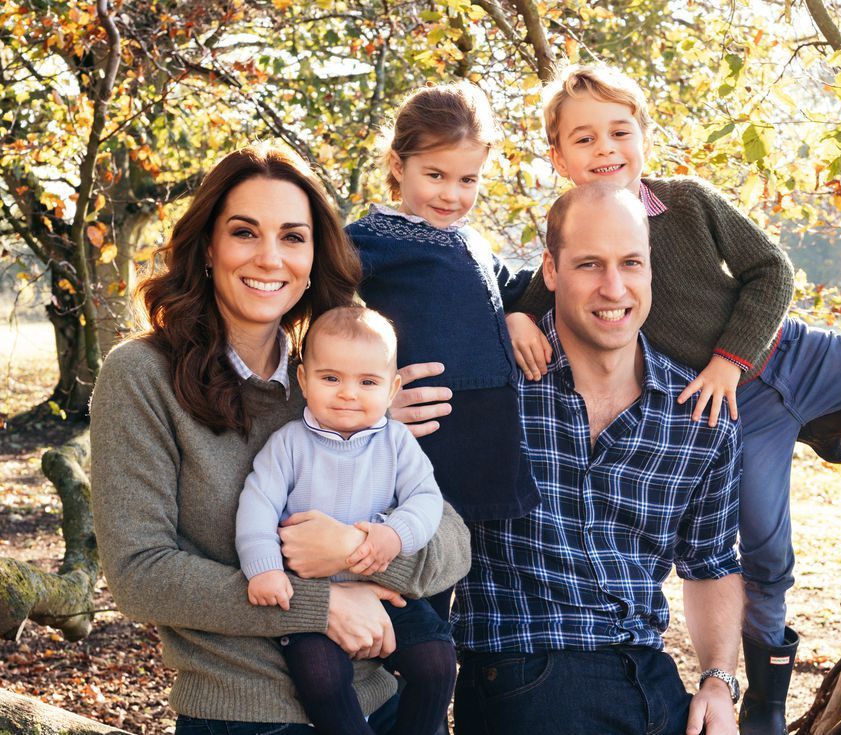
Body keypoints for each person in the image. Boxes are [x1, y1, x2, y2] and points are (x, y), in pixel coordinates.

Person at [504, 63, 841, 733]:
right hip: (741, 413)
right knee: (766, 549)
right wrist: (515, 315)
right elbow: (544, 290)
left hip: (791, 353)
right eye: (584, 139)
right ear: (558, 157)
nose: (606, 151)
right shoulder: (576, 230)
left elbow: (772, 270)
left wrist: (729, 357)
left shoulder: (686, 200)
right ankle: (768, 703)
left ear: (644, 137)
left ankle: (830, 423)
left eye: (620, 132)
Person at [89, 143, 471, 735]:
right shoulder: (141, 376)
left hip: (381, 700)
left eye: (293, 237)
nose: (270, 258)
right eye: (245, 232)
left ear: (316, 256)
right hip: (245, 715)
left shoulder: (334, 380)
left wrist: (354, 551)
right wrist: (321, 604)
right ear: (208, 247)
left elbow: (452, 539)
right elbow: (141, 574)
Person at [448, 182, 744, 735]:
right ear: (551, 271)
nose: (614, 287)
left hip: (654, 683)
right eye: (589, 265)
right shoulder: (489, 387)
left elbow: (711, 563)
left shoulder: (699, 415)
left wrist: (718, 680)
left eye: (631, 263)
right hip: (526, 670)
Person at [345, 81, 541, 620]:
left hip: (489, 441)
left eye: (468, 179)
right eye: (435, 175)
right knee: (414, 589)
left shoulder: (472, 241)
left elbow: (510, 287)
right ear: (397, 163)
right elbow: (318, 305)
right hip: (430, 441)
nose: (451, 194)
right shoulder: (373, 239)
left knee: (472, 598)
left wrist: (517, 313)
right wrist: (368, 389)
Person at [236, 305, 456, 735]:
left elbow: (426, 498)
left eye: (368, 382)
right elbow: (256, 507)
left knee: (436, 662)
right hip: (310, 598)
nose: (348, 393)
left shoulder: (396, 443)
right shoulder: (289, 445)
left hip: (383, 591)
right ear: (303, 379)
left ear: (392, 389)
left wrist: (395, 535)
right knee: (321, 674)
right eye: (331, 378)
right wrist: (262, 569)